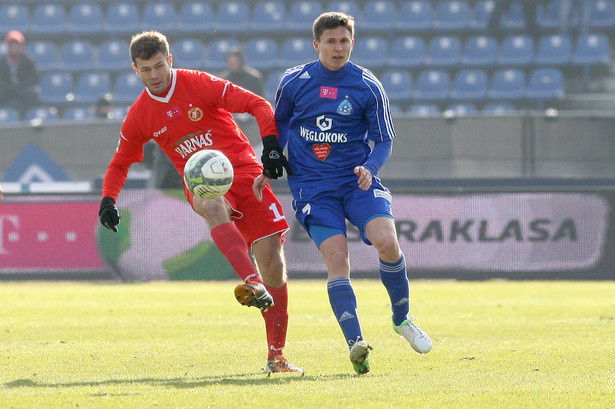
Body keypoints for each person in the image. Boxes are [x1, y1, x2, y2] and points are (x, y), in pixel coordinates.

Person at [98, 31, 301, 375]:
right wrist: (107, 200)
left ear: (170, 60)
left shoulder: (199, 84)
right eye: (146, 70)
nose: (155, 75)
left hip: (245, 173)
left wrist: (269, 145)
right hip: (200, 183)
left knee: (274, 267)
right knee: (210, 203)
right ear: (136, 71)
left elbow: (258, 104)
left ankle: (276, 356)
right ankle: (250, 281)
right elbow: (120, 163)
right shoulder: (140, 115)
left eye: (159, 66)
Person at [255, 12, 432, 375]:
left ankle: (402, 319)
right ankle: (356, 345)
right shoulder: (294, 81)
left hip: (357, 181)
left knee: (387, 242)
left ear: (353, 42)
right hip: (313, 187)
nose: (338, 48)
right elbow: (281, 124)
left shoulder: (367, 85)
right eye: (331, 41)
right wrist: (270, 163)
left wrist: (371, 167)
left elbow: (384, 138)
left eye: (344, 41)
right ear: (316, 44)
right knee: (337, 258)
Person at [0, 30, 40, 118]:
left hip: (23, 89)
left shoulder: (29, 61)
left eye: (17, 45)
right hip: (7, 90)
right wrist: (9, 88)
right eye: (12, 45)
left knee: (33, 93)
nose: (15, 48)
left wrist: (22, 87)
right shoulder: (2, 62)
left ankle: (29, 117)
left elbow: (33, 79)